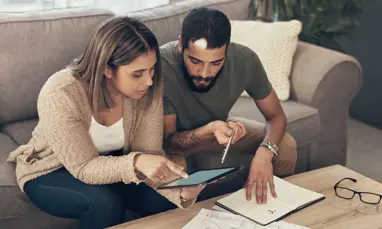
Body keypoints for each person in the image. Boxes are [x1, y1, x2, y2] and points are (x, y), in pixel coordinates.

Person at [7, 16, 204, 229]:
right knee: (103, 202)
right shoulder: (60, 93)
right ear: (107, 69)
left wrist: (179, 190)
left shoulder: (147, 87)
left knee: (163, 199)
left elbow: (148, 154)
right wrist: (136, 162)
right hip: (53, 169)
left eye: (152, 69)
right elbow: (84, 167)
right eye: (137, 74)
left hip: (115, 163)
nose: (148, 80)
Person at [160, 7, 297, 205]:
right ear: (181, 44)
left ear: (227, 49)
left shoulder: (244, 60)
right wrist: (209, 129)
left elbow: (276, 116)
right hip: (174, 143)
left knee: (285, 145)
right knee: (175, 182)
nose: (205, 73)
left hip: (218, 130)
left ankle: (273, 209)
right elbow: (169, 142)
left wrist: (265, 153)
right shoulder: (162, 67)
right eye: (195, 61)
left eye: (216, 63)